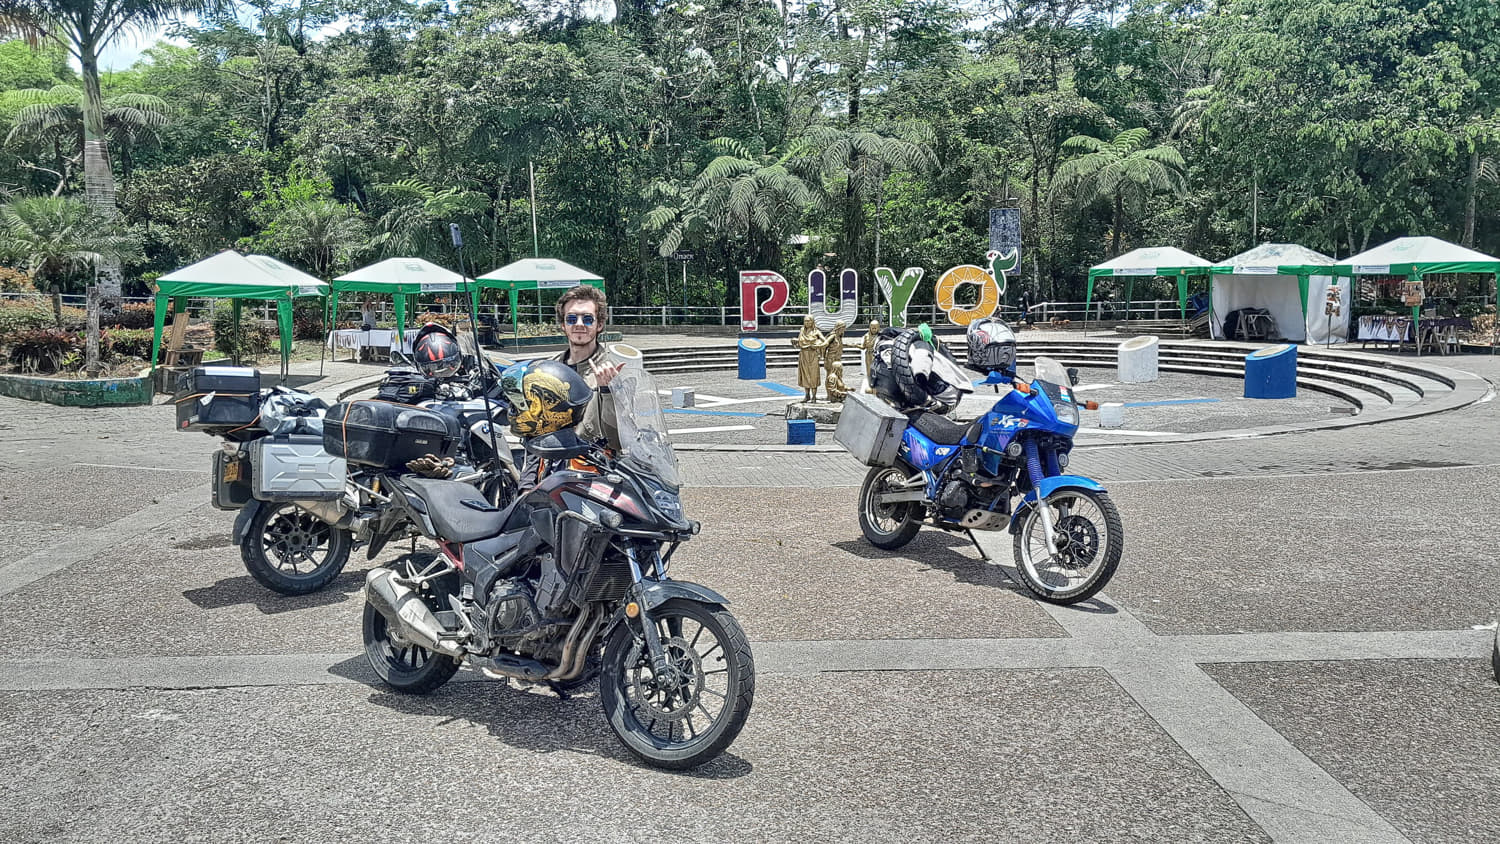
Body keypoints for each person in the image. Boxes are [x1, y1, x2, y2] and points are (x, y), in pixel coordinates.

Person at [518, 285, 623, 489]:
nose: (580, 324)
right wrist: (526, 483)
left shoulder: (612, 370)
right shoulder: (546, 370)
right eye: (572, 319)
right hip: (551, 476)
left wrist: (607, 391)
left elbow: (618, 438)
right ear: (563, 325)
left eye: (588, 318)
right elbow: (534, 430)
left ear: (600, 324)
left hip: (596, 477)